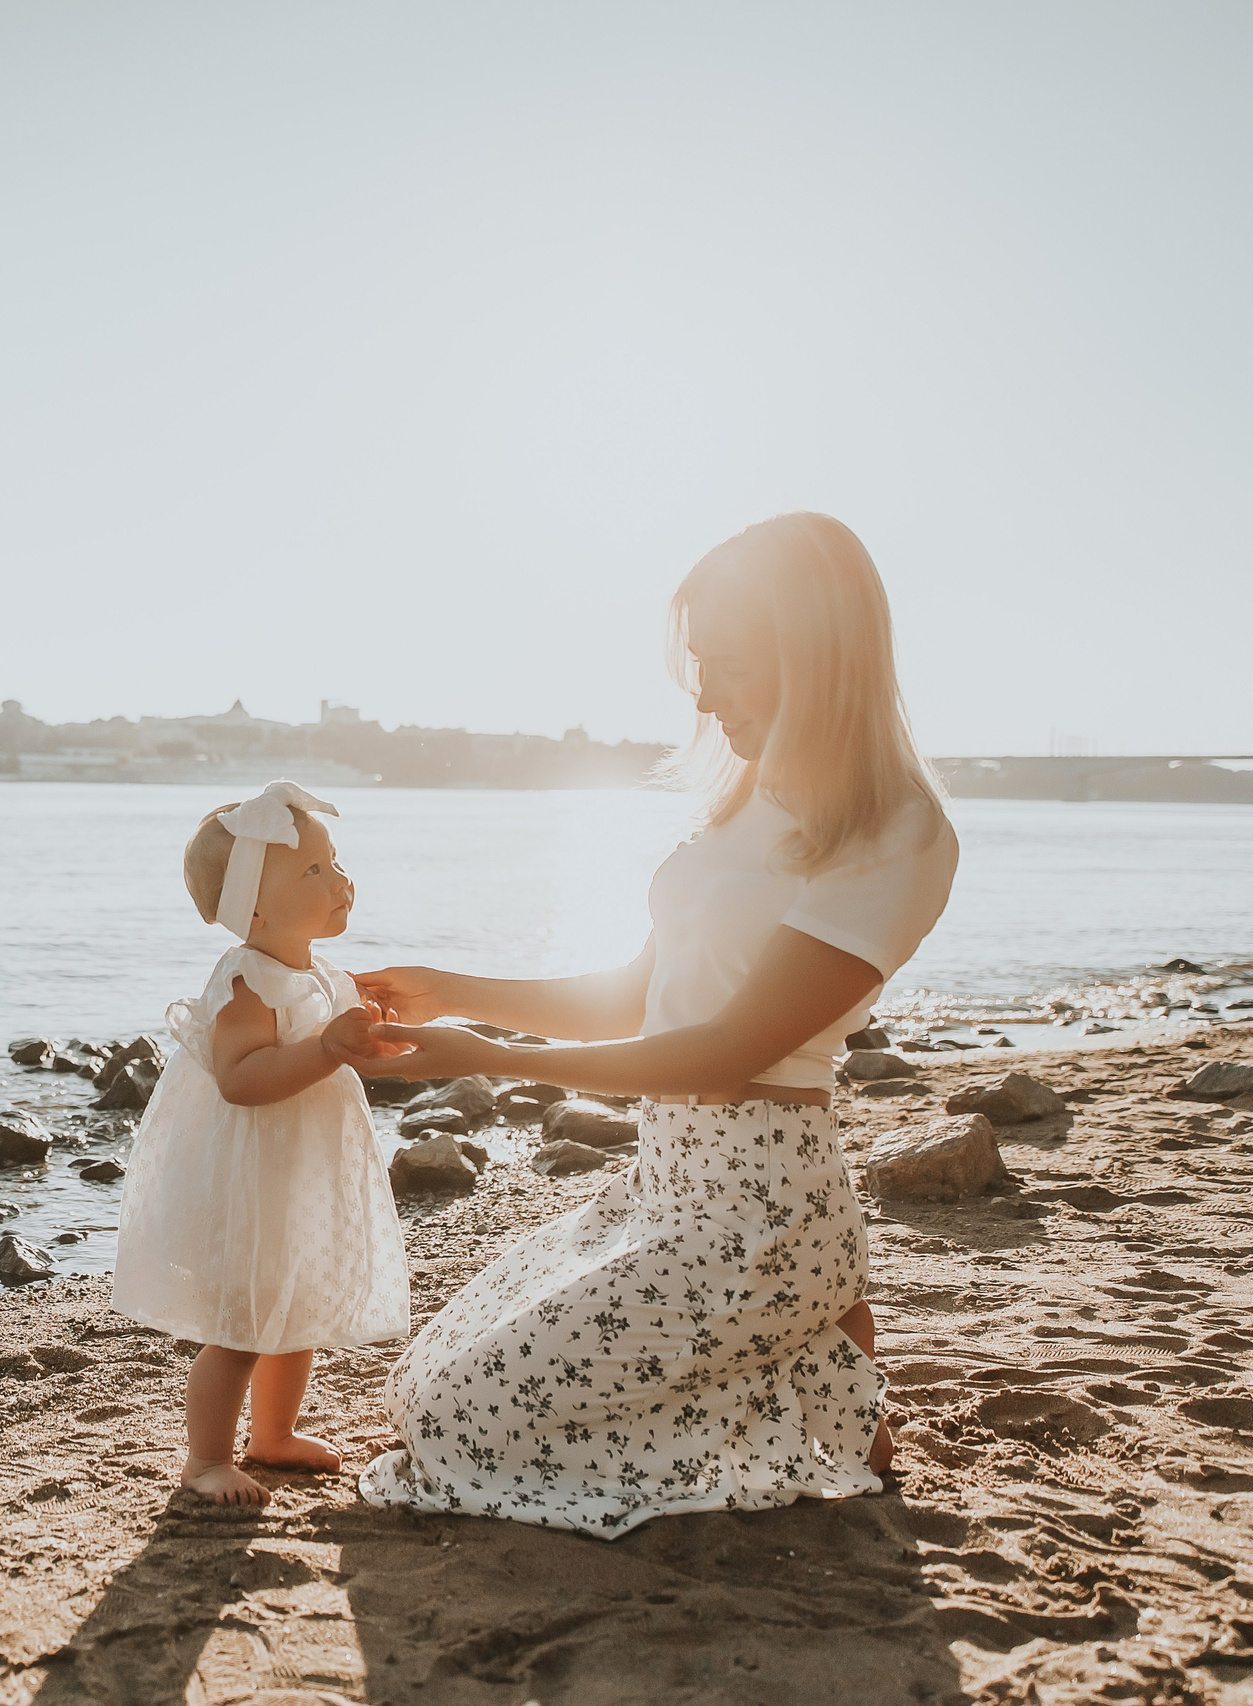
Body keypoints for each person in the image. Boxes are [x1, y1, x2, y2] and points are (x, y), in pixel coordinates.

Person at [340, 512, 957, 1537]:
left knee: (455, 1418)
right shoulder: (748, 799)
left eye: (733, 664)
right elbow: (638, 996)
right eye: (700, 664)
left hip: (760, 1216)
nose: (707, 696)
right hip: (661, 1187)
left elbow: (725, 1052)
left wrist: (484, 1062)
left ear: (818, 653)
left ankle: (794, 1401)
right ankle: (805, 1381)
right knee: (421, 1383)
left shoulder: (892, 829)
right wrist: (453, 989)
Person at [112, 780, 416, 1506]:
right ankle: (206, 1459)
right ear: (253, 906)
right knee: (242, 1323)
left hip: (299, 1170)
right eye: (311, 871)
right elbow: (241, 1081)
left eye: (334, 860)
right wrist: (330, 1052)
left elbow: (331, 1045)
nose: (339, 878)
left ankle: (273, 1435)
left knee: (295, 1305)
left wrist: (365, 1039)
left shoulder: (316, 973)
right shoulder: (247, 979)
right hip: (251, 1173)